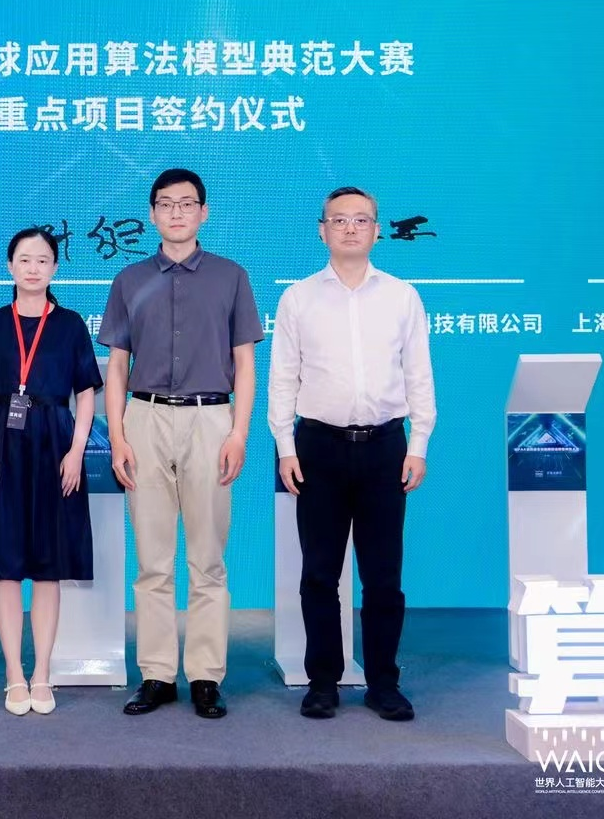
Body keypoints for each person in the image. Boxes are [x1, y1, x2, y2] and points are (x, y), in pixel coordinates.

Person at [268, 186, 436, 722]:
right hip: (317, 446)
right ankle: (323, 682)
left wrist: (419, 443)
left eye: (361, 220)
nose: (349, 228)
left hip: (386, 447)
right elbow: (283, 378)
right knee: (319, 574)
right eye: (338, 220)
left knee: (383, 576)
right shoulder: (298, 298)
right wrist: (285, 446)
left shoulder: (402, 297)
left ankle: (384, 682)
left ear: (377, 231)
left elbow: (419, 375)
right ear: (322, 230)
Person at [99, 168, 261, 719]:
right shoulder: (129, 280)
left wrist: (238, 432)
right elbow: (116, 366)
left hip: (211, 419)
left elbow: (244, 363)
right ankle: (157, 674)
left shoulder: (231, 276)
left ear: (203, 212)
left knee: (208, 559)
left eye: (187, 203)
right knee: (153, 560)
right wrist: (118, 435)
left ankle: (207, 676)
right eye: (166, 204)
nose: (176, 212)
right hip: (144, 419)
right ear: (152, 214)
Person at [0, 227, 102, 715]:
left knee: (48, 566)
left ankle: (42, 673)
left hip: (55, 446)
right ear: (10, 266)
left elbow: (86, 393)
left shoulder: (69, 324)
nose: (33, 268)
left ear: (55, 269)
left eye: (43, 260)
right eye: (24, 259)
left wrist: (77, 450)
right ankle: (13, 674)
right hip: (2, 446)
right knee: (6, 567)